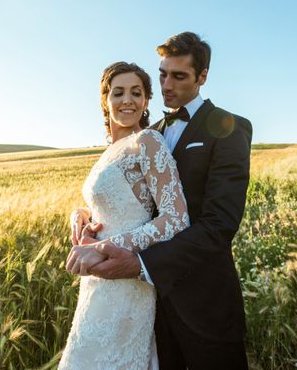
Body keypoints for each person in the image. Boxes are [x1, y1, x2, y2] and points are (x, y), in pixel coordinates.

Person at [74, 32, 253, 369]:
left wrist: (142, 265)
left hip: (203, 302)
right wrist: (84, 214)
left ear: (202, 77)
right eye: (162, 74)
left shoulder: (231, 129)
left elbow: (219, 225)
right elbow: (131, 199)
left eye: (179, 76)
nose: (167, 85)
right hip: (148, 307)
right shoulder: (146, 133)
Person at [59, 62, 190, 370]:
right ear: (106, 99)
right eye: (118, 93)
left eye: (136, 92)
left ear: (146, 101)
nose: (127, 100)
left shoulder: (146, 141)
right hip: (96, 281)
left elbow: (175, 218)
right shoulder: (110, 150)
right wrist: (80, 214)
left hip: (127, 275)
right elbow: (115, 204)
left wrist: (105, 248)